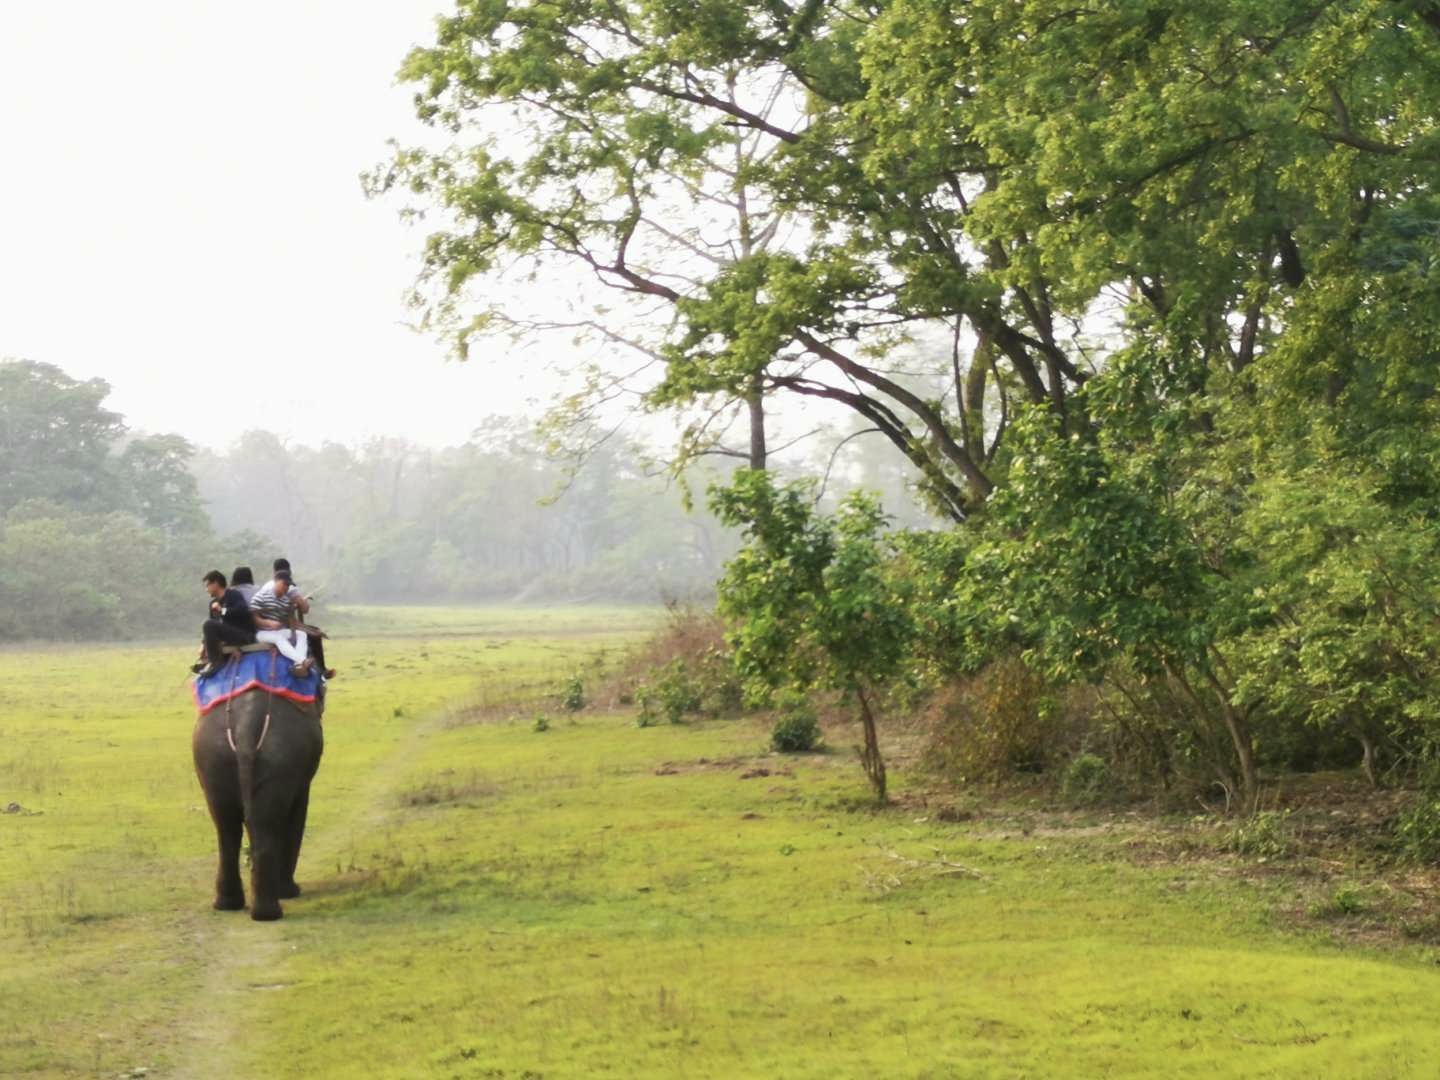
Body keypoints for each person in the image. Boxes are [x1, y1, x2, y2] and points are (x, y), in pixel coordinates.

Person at [272, 556, 335, 680]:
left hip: (267, 626)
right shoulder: (290, 587)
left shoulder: (268, 585)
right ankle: (322, 669)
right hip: (287, 625)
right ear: (289, 571)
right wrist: (303, 603)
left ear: (274, 572)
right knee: (315, 633)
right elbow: (305, 610)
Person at [194, 570, 255, 678]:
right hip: (228, 636)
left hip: (243, 634)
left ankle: (215, 663)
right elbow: (214, 625)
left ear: (216, 583)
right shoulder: (213, 603)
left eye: (207, 585)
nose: (206, 589)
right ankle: (209, 661)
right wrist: (203, 644)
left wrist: (222, 610)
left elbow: (243, 612)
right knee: (209, 625)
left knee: (208, 624)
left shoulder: (233, 595)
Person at [250, 568, 310, 675]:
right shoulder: (261, 596)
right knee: (278, 638)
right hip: (262, 633)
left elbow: (290, 619)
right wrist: (268, 623)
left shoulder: (286, 601)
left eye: (288, 585)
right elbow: (253, 618)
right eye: (284, 584)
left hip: (277, 631)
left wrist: (294, 629)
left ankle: (298, 665)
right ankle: (303, 660)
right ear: (276, 581)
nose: (286, 588)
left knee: (301, 634)